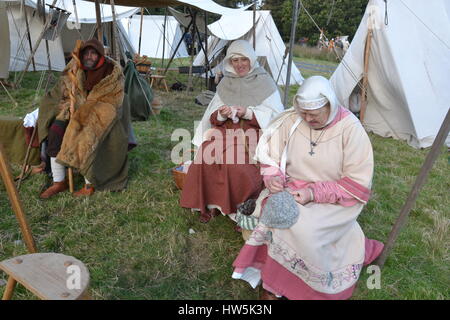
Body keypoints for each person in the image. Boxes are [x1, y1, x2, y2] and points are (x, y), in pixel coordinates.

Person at [232, 76, 384, 300]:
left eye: (314, 114)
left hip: (334, 199)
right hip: (291, 189)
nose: (307, 118)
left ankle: (304, 288)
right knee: (276, 213)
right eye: (304, 113)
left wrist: (314, 193)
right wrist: (273, 177)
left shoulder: (350, 130)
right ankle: (273, 284)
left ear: (330, 105)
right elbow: (271, 155)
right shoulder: (292, 120)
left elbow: (356, 182)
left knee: (306, 230)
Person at [180, 40, 283, 224]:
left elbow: (276, 117)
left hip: (253, 135)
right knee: (204, 157)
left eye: (244, 60)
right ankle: (212, 205)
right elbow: (212, 116)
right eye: (235, 60)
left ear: (251, 60)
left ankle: (241, 211)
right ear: (229, 62)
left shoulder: (265, 82)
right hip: (225, 133)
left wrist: (248, 112)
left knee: (237, 167)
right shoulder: (226, 82)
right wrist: (221, 114)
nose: (240, 64)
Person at [38, 38, 129, 199]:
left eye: (93, 54)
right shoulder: (75, 68)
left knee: (86, 136)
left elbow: (112, 101)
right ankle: (59, 181)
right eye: (86, 53)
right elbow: (64, 92)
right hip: (73, 111)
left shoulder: (112, 73)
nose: (89, 57)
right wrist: (70, 104)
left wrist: (87, 110)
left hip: (99, 115)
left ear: (100, 55)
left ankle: (89, 184)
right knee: (56, 130)